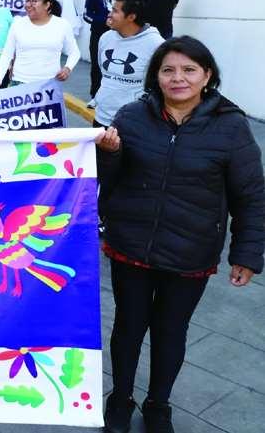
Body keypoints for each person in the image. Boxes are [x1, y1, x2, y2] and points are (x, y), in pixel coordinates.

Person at [95, 36, 264, 433]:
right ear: (155, 76)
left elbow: (251, 195)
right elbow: (107, 180)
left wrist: (247, 253)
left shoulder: (231, 127)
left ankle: (158, 405)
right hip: (131, 244)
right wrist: (109, 154)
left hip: (191, 251)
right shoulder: (131, 117)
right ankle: (120, 398)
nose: (178, 78)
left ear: (207, 75)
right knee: (128, 327)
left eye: (189, 70)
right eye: (168, 70)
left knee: (171, 332)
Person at [93, 0, 164, 128]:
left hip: (134, 123)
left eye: (115, 11)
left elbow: (158, 86)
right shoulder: (105, 38)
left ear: (131, 17)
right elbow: (103, 71)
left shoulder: (156, 44)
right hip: (101, 118)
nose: (109, 14)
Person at [0, 0, 79, 90]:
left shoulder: (62, 25)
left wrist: (67, 68)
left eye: (34, 1)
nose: (28, 5)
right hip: (19, 84)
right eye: (27, 0)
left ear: (47, 5)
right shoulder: (18, 23)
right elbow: (7, 54)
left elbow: (74, 52)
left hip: (50, 85)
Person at [84, 0, 134, 105]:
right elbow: (87, 15)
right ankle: (95, 96)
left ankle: (123, 98)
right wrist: (103, 20)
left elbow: (135, 8)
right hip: (99, 34)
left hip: (123, 35)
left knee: (123, 66)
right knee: (97, 65)